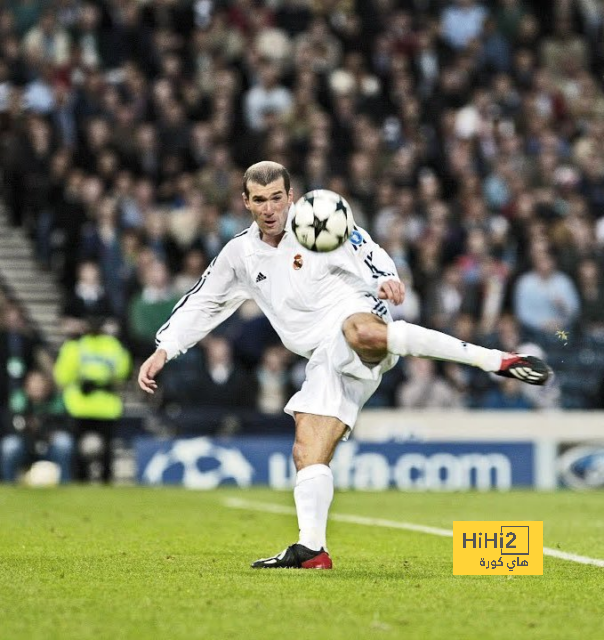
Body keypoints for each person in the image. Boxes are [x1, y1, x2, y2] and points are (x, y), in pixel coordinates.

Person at [138, 161, 550, 570]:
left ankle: (495, 359)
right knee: (306, 451)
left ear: (291, 197)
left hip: (358, 318)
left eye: (277, 198)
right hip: (322, 359)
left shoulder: (319, 222)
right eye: (260, 200)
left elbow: (366, 249)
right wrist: (165, 348)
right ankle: (312, 550)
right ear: (245, 202)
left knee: (360, 332)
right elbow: (203, 300)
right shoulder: (240, 255)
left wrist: (386, 279)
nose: (270, 209)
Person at [54, 317, 131, 482]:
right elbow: (123, 371)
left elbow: (62, 375)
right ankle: (105, 480)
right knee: (105, 450)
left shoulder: (75, 346)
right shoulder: (113, 346)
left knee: (80, 450)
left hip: (80, 404)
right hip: (105, 405)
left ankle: (81, 480)